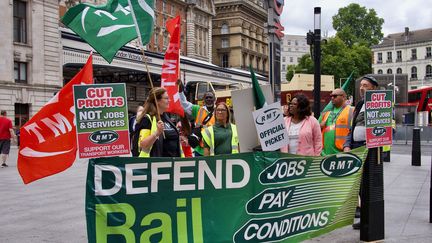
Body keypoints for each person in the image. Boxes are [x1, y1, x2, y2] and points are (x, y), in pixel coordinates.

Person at [343, 76, 379, 230]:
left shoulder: (379, 104)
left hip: (370, 149)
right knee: (359, 185)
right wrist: (347, 144)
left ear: (374, 89)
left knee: (369, 185)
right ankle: (364, 218)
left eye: (366, 85)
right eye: (361, 85)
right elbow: (351, 127)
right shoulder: (359, 104)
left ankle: (371, 219)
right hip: (356, 147)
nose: (362, 88)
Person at [136, 87, 181, 157]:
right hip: (157, 163)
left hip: (174, 164)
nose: (169, 100)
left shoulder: (166, 118)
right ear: (157, 101)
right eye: (166, 98)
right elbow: (143, 145)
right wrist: (157, 133)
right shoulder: (147, 119)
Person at [177, 80, 216, 156]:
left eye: (210, 97)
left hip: (213, 149)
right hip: (200, 149)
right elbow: (184, 104)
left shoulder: (219, 111)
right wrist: (181, 92)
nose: (208, 99)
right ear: (203, 100)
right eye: (206, 98)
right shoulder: (197, 110)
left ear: (214, 99)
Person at [319, 89, 354, 155]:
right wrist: (320, 126)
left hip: (342, 152)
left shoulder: (351, 111)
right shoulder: (326, 112)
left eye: (335, 96)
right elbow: (315, 130)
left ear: (343, 97)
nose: (332, 98)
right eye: (331, 96)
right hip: (325, 153)